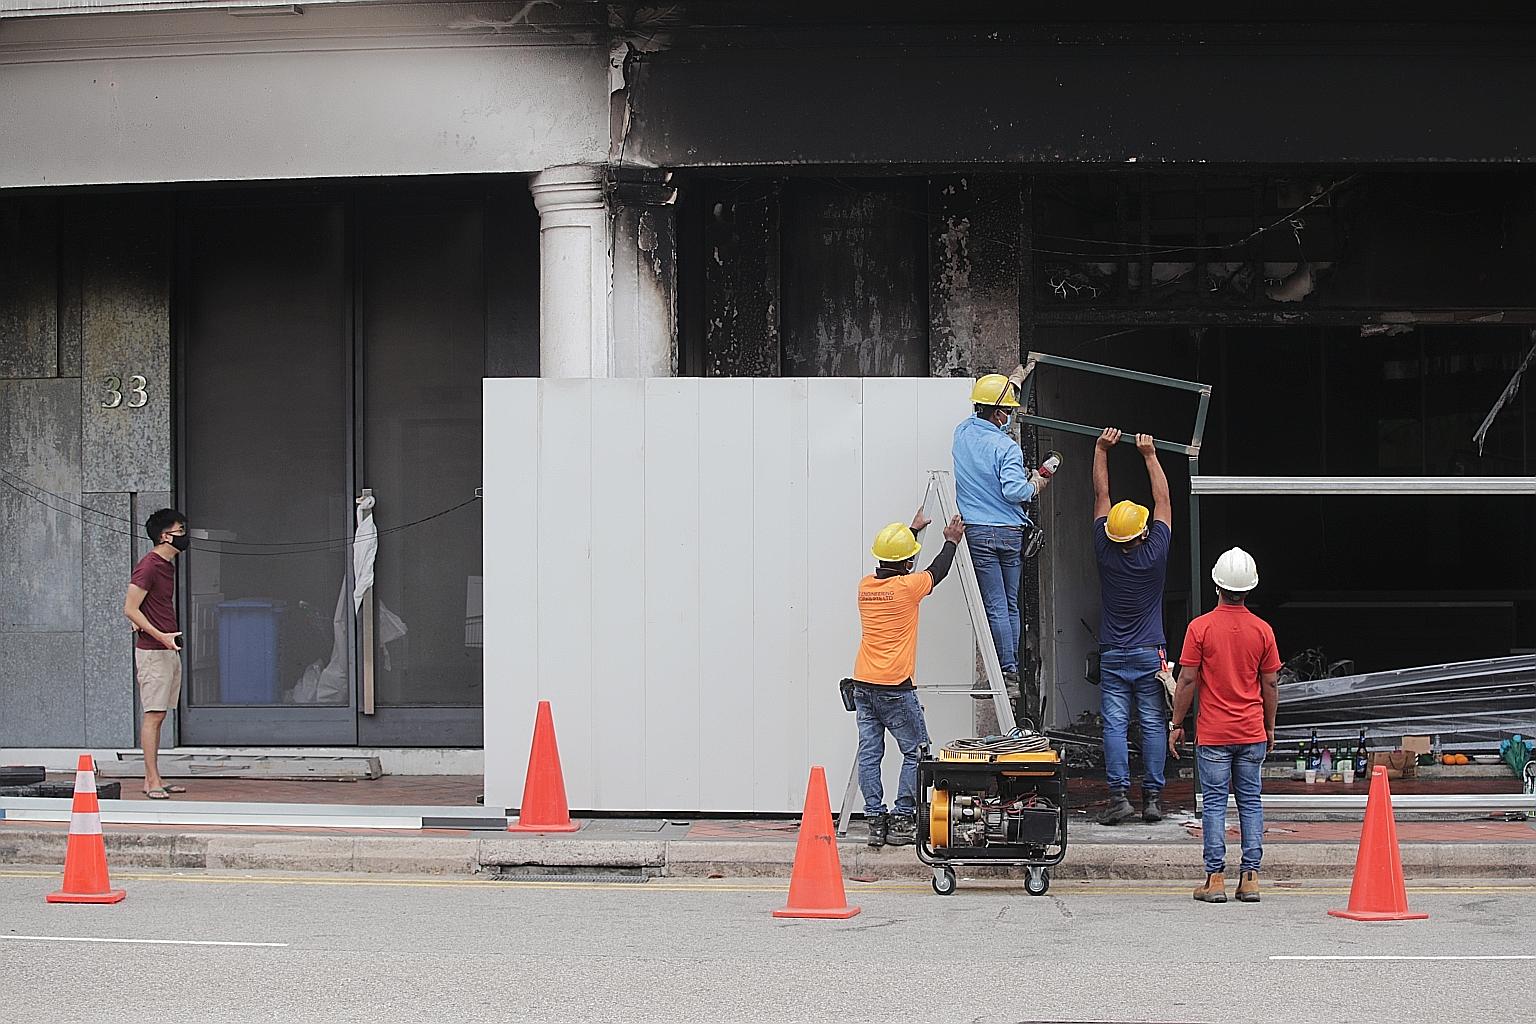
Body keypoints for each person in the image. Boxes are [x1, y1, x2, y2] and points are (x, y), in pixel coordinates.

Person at [1170, 547, 1281, 904]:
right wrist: (1270, 727)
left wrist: (1176, 722)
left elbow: (1187, 681)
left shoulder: (1199, 628)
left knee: (1215, 804)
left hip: (1214, 734)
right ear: (1249, 589)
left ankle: (1214, 879)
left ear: (1216, 585)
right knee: (1251, 802)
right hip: (1252, 732)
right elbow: (1271, 685)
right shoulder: (1263, 631)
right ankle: (1250, 878)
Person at [851, 508, 966, 848]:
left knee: (870, 753)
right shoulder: (908, 589)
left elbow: (899, 563)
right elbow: (937, 570)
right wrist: (951, 541)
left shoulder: (865, 587)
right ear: (905, 564)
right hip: (895, 688)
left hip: (863, 685)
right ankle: (902, 817)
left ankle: (875, 819)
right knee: (917, 751)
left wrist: (912, 533)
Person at [952, 372, 1051, 699]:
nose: (1009, 416)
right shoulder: (1006, 447)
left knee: (995, 605)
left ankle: (1005, 670)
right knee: (1008, 605)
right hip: (1009, 533)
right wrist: (1035, 483)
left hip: (980, 532)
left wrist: (1012, 382)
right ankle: (1009, 674)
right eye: (1007, 410)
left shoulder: (962, 433)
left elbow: (987, 405)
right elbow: (1014, 491)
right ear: (997, 414)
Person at [1092, 427, 1172, 825]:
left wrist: (1101, 450)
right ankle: (1153, 799)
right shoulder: (1155, 555)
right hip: (1149, 654)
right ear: (1143, 533)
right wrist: (1149, 455)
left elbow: (1101, 497)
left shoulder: (1105, 552)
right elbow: (1163, 499)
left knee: (1115, 725)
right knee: (1154, 723)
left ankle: (1119, 796)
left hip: (1112, 654)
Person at [123, 509, 189, 800]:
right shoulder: (149, 566)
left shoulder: (166, 565)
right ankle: (151, 780)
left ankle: (156, 776)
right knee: (153, 715)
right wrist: (159, 635)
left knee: (160, 715)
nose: (184, 535)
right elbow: (130, 607)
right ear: (165, 536)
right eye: (180, 530)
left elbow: (142, 610)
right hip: (153, 651)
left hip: (167, 648)